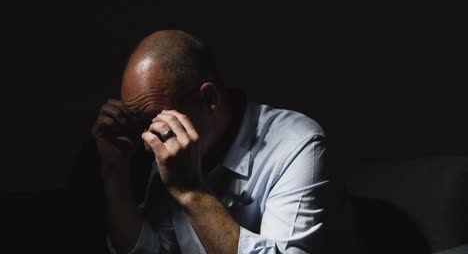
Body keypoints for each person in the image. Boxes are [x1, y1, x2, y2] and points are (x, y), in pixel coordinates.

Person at [84, 30, 359, 253]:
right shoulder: (171, 146)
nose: (147, 144)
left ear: (209, 100)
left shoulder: (298, 147)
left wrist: (191, 192)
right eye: (139, 125)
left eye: (156, 122)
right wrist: (114, 171)